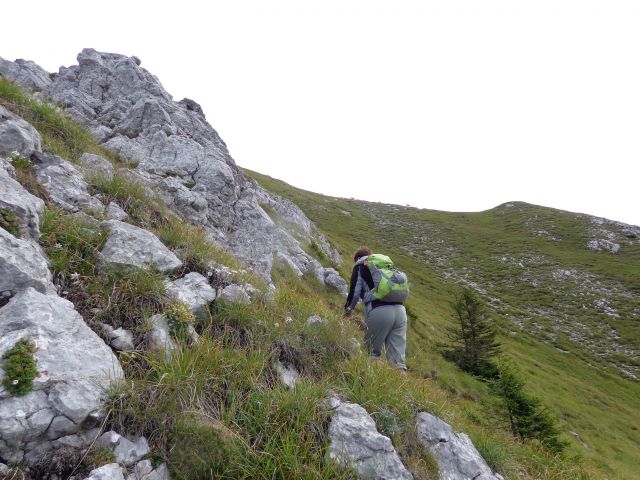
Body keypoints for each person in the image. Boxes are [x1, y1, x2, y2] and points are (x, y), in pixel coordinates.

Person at [344, 246, 408, 370]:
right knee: (397, 362)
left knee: (371, 354)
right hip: (400, 311)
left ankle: (371, 387)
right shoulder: (386, 266)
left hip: (379, 311)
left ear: (357, 258)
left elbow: (355, 293)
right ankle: (400, 388)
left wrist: (347, 312)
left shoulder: (360, 265)